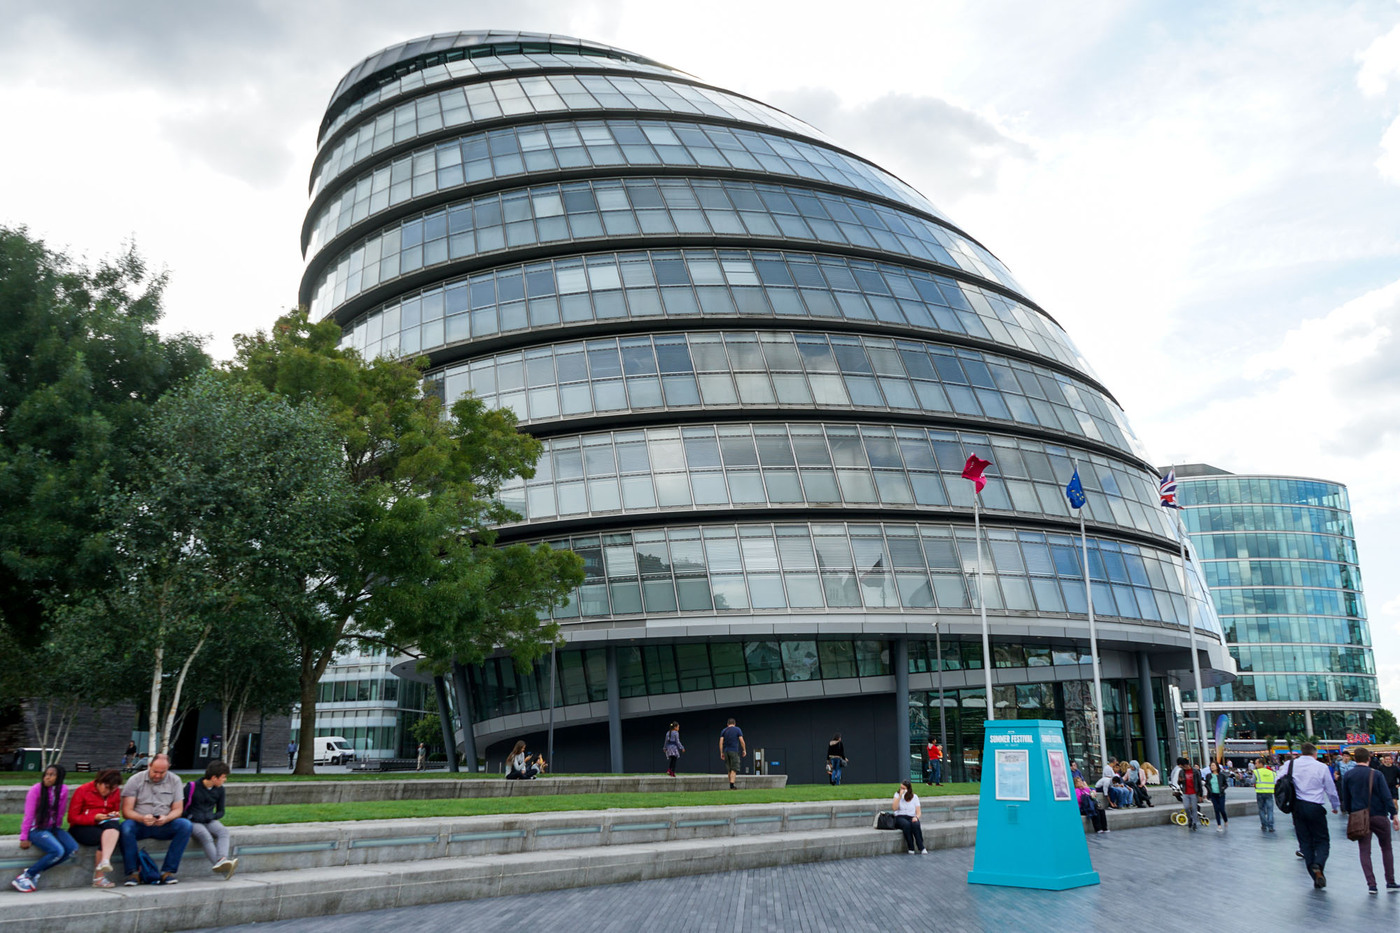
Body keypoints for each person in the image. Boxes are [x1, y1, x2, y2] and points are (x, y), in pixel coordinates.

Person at [118, 753, 192, 886]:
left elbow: (178, 810)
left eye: (162, 773)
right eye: (155, 772)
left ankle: (168, 871)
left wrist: (167, 818)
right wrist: (141, 818)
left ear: (168, 768)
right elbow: (126, 811)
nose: (157, 775)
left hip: (163, 824)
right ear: (149, 765)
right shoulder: (135, 780)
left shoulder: (175, 780)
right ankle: (133, 873)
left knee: (185, 825)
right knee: (126, 827)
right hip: (140, 823)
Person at [1340, 746, 1400, 894]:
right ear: (1369, 758)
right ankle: (1390, 881)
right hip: (1379, 815)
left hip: (1360, 817)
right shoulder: (1377, 774)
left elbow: (1346, 798)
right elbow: (1386, 796)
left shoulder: (1348, 775)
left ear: (1355, 759)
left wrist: (1352, 812)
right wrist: (1394, 814)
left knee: (1364, 850)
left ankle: (1371, 885)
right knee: (1386, 848)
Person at [11, 764, 77, 892]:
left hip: (52, 827)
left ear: (59, 777)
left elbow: (60, 812)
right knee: (57, 851)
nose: (48, 777)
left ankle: (35, 872)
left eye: (52, 775)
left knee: (72, 849)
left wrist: (57, 829)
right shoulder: (36, 789)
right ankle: (26, 876)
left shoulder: (63, 789)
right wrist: (24, 837)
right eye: (46, 774)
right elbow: (29, 814)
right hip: (36, 828)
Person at [1285, 742, 1341, 889]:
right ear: (1315, 754)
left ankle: (1315, 876)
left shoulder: (1290, 765)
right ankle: (1319, 864)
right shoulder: (1321, 767)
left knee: (1305, 843)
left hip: (1297, 807)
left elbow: (1279, 781)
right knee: (1322, 840)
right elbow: (1330, 788)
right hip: (1315, 806)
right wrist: (1335, 805)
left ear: (1301, 752)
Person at [68, 768, 123, 888]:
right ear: (99, 782)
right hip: (81, 826)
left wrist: (113, 814)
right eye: (106, 787)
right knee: (105, 837)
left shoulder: (115, 792)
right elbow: (72, 817)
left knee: (114, 827)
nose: (108, 792)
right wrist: (94, 817)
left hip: (104, 823)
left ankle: (105, 861)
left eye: (113, 789)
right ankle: (99, 875)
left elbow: (114, 809)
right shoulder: (83, 790)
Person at [187, 760, 238, 880]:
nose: (225, 780)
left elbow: (221, 811)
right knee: (205, 836)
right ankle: (224, 868)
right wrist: (192, 817)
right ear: (214, 777)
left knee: (223, 832)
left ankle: (222, 860)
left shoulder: (220, 790)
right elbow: (182, 807)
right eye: (223, 777)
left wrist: (212, 817)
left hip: (209, 819)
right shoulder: (192, 787)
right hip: (193, 821)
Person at [892, 780, 927, 854]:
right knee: (906, 825)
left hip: (911, 816)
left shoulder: (915, 797)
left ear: (908, 789)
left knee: (916, 824)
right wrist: (900, 797)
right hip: (900, 817)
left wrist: (916, 817)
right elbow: (894, 808)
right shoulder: (897, 795)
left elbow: (918, 812)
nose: (902, 790)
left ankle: (921, 847)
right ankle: (911, 847)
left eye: (904, 788)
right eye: (901, 788)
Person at [1176, 758, 1204, 832]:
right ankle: (1190, 818)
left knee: (1194, 808)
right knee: (1186, 807)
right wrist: (1179, 781)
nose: (1183, 768)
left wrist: (1200, 795)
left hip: (1194, 792)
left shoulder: (1195, 771)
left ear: (1187, 765)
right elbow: (1179, 782)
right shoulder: (1182, 772)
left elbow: (1199, 783)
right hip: (1186, 792)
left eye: (1184, 766)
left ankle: (1194, 823)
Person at [719, 718, 745, 790]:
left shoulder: (724, 731)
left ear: (727, 724)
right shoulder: (737, 730)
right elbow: (741, 740)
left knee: (729, 769)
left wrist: (721, 752)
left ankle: (730, 784)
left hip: (726, 751)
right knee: (734, 768)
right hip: (734, 751)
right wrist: (744, 750)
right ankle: (732, 786)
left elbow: (721, 742)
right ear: (734, 724)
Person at [1252, 757, 1277, 833]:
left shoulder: (1256, 772)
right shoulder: (1272, 773)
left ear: (1261, 764)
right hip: (1269, 793)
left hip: (1260, 792)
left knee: (1261, 810)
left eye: (1256, 763)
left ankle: (1264, 825)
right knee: (1270, 810)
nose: (1255, 765)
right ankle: (1271, 826)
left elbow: (1253, 781)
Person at [1205, 761, 1229, 832]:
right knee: (1216, 810)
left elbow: (1226, 784)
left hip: (1221, 794)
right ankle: (1219, 825)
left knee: (1222, 809)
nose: (1212, 767)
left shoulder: (1221, 776)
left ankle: (1225, 820)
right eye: (1211, 766)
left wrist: (1223, 788)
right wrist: (1208, 790)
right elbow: (1207, 784)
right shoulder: (1208, 776)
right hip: (1213, 795)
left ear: (1217, 767)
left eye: (1213, 765)